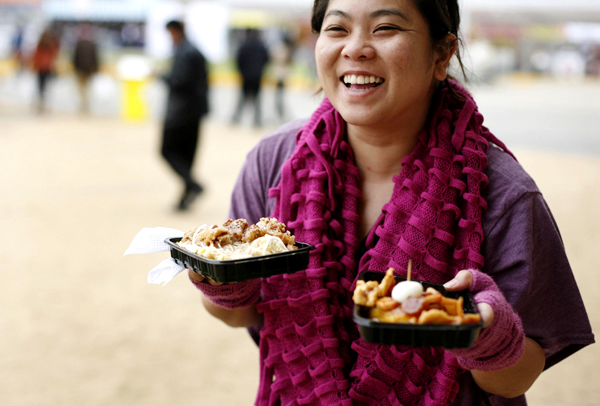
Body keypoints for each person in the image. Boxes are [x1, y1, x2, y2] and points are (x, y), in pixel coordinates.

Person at [188, 1, 594, 405]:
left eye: (385, 28)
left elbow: (512, 381)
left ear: (442, 53)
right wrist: (221, 284)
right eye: (337, 29)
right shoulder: (274, 163)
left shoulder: (501, 194)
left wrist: (487, 335)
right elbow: (240, 314)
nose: (356, 48)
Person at [160, 20, 209, 211]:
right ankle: (186, 194)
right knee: (186, 157)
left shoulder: (186, 52)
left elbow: (179, 81)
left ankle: (193, 185)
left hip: (181, 113)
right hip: (192, 112)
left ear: (175, 31)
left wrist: (161, 75)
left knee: (167, 150)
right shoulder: (191, 50)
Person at [231, 28, 270, 127]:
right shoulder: (261, 46)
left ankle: (236, 118)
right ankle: (257, 120)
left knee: (242, 99)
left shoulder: (244, 45)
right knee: (257, 100)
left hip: (246, 76)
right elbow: (267, 59)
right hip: (257, 76)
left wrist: (242, 72)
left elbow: (238, 60)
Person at [31, 29, 60, 114]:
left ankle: (41, 100)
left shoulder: (40, 44)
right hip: (48, 67)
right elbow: (54, 55)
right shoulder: (51, 44)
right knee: (47, 85)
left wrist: (35, 66)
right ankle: (45, 101)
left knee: (40, 85)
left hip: (41, 68)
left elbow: (36, 56)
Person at [72, 24, 99, 114]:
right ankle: (85, 103)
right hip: (88, 69)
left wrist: (75, 68)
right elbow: (95, 58)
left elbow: (75, 58)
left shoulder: (79, 44)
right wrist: (95, 68)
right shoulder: (92, 44)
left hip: (81, 69)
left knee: (82, 88)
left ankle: (84, 103)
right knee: (86, 87)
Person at [271, 33, 295, 122]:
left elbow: (279, 58)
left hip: (281, 76)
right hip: (280, 75)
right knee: (278, 98)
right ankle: (280, 115)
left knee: (279, 98)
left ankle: (282, 115)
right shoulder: (286, 49)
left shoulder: (284, 50)